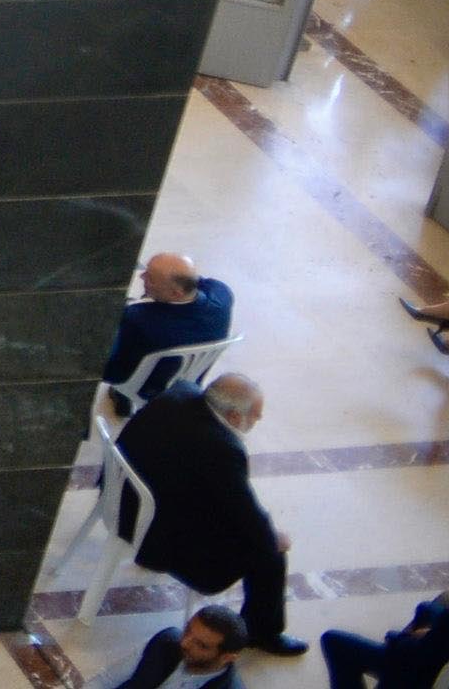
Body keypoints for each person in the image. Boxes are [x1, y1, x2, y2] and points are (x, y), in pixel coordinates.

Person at [117, 375, 301, 652]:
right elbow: (247, 515)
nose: (259, 419)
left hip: (123, 504)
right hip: (156, 538)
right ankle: (263, 632)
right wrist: (272, 539)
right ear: (234, 415)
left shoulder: (179, 392)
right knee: (270, 553)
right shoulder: (223, 449)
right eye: (255, 414)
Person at [319, 537, 449, 689]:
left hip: (426, 674)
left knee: (334, 641)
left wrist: (398, 638)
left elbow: (414, 654)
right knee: (427, 609)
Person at [108, 253, 237, 401]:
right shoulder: (222, 294)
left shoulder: (138, 318)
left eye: (150, 278)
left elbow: (114, 366)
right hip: (189, 378)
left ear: (176, 293)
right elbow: (195, 281)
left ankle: (122, 398)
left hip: (145, 385)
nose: (142, 277)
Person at [97, 607, 253, 689]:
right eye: (187, 630)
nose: (184, 643)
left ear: (227, 657)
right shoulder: (166, 642)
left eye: (201, 645)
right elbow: (106, 680)